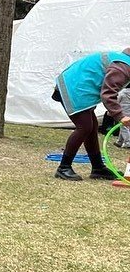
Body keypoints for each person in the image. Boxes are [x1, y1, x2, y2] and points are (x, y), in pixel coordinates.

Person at [52, 49, 130, 181]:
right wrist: (120, 116)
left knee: (92, 126)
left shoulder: (124, 62)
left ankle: (98, 168)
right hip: (74, 87)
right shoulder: (123, 67)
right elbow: (108, 93)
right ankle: (63, 167)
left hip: (78, 85)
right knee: (85, 126)